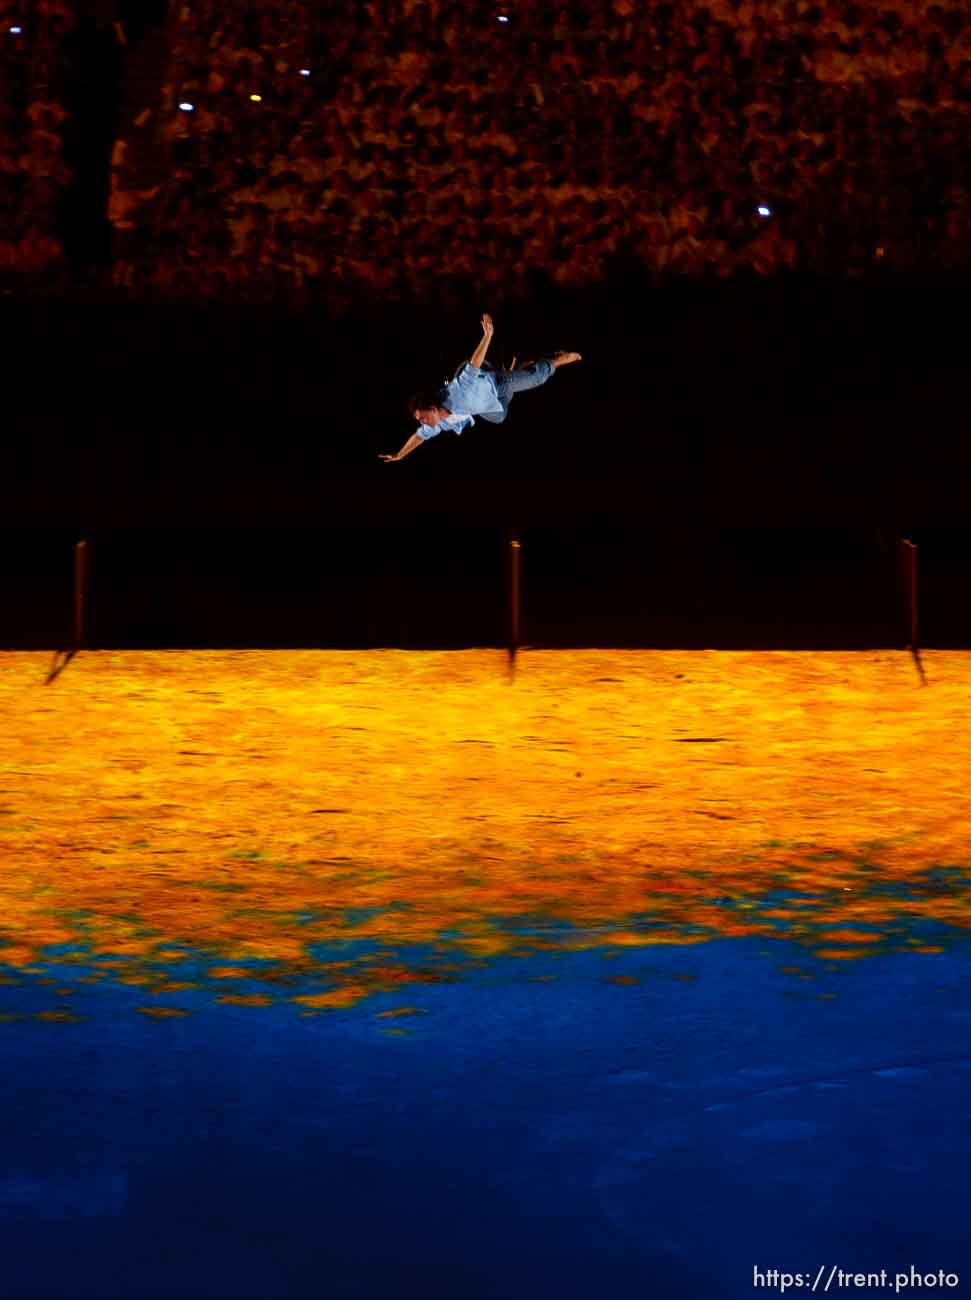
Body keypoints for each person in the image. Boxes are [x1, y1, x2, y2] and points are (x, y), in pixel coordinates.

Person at [379, 313, 582, 462]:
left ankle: (558, 359)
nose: (424, 423)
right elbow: (418, 437)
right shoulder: (438, 424)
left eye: (423, 418)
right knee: (501, 417)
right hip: (488, 409)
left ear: (432, 409)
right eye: (420, 421)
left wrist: (488, 335)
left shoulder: (456, 390)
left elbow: (473, 364)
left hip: (497, 384)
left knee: (537, 379)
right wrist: (399, 455)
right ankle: (519, 369)